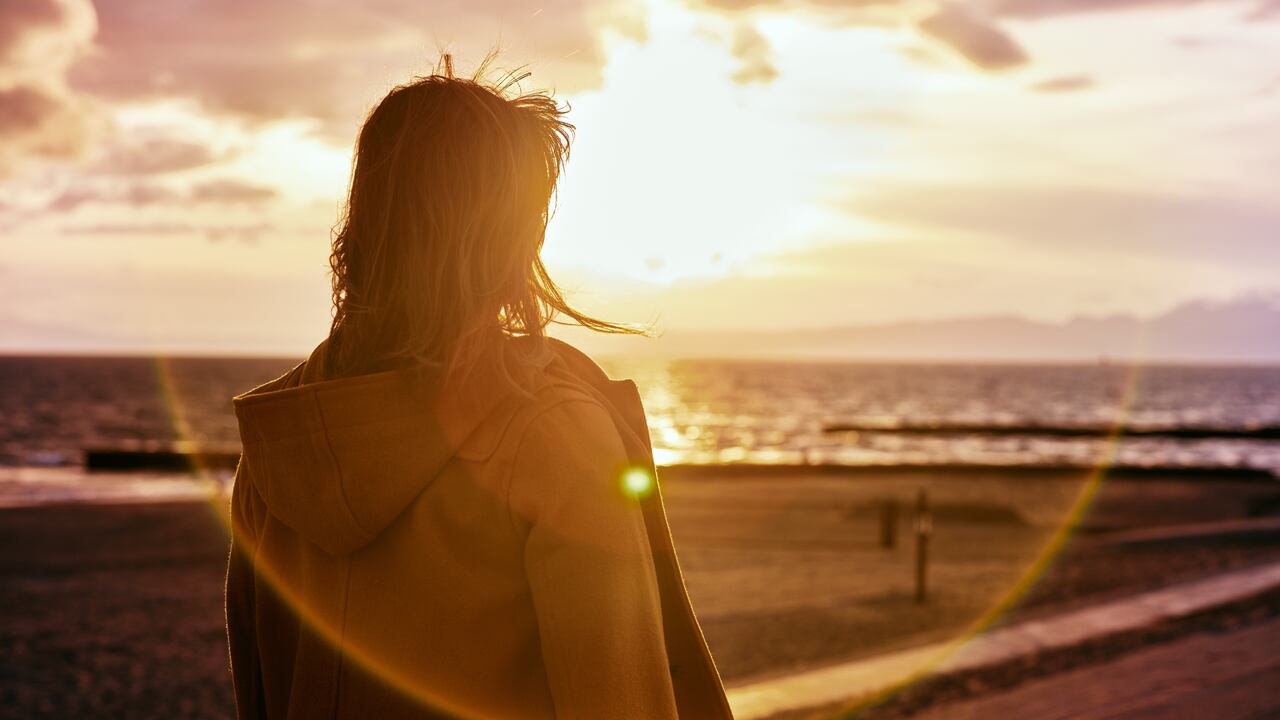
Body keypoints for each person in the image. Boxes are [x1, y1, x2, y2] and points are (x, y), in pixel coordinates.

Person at [224, 57, 733, 720]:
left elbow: (261, 693)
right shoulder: (551, 432)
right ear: (514, 238)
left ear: (366, 222)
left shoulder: (284, 442)